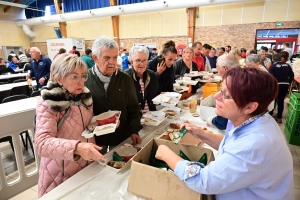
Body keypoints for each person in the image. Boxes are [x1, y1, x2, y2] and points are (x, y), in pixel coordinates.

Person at [155, 67, 294, 199]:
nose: (216, 96)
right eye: (221, 91)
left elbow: (202, 180)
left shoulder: (254, 145)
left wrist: (165, 153)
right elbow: (231, 145)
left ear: (250, 106)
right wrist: (201, 134)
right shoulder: (258, 119)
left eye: (226, 95)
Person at [35, 53, 104, 198]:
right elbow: (41, 144)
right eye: (74, 77)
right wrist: (77, 148)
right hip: (60, 174)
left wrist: (106, 124)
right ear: (58, 78)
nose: (81, 82)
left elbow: (85, 127)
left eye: (83, 76)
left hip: (86, 169)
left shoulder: (85, 97)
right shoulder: (49, 102)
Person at [85, 36, 142, 151]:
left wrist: (134, 130)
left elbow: (134, 109)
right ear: (95, 58)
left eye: (115, 57)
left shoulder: (125, 79)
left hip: (121, 139)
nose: (112, 62)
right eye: (107, 58)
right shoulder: (85, 80)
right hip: (95, 142)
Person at [206, 54, 240, 130]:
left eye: (218, 69)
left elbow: (222, 123)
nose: (218, 72)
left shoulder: (233, 82)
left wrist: (212, 120)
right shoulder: (243, 77)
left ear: (225, 68)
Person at [124, 46, 159, 113]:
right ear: (131, 61)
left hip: (152, 118)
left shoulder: (152, 76)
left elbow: (155, 97)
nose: (142, 64)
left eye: (144, 60)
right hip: (133, 119)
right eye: (138, 60)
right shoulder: (125, 77)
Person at [269, 51, 294, 123]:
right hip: (285, 85)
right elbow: (292, 76)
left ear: (273, 60)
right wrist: (288, 83)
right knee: (281, 101)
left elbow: (271, 77)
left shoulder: (273, 66)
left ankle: (270, 114)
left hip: (276, 85)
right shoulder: (287, 65)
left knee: (273, 100)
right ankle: (279, 117)